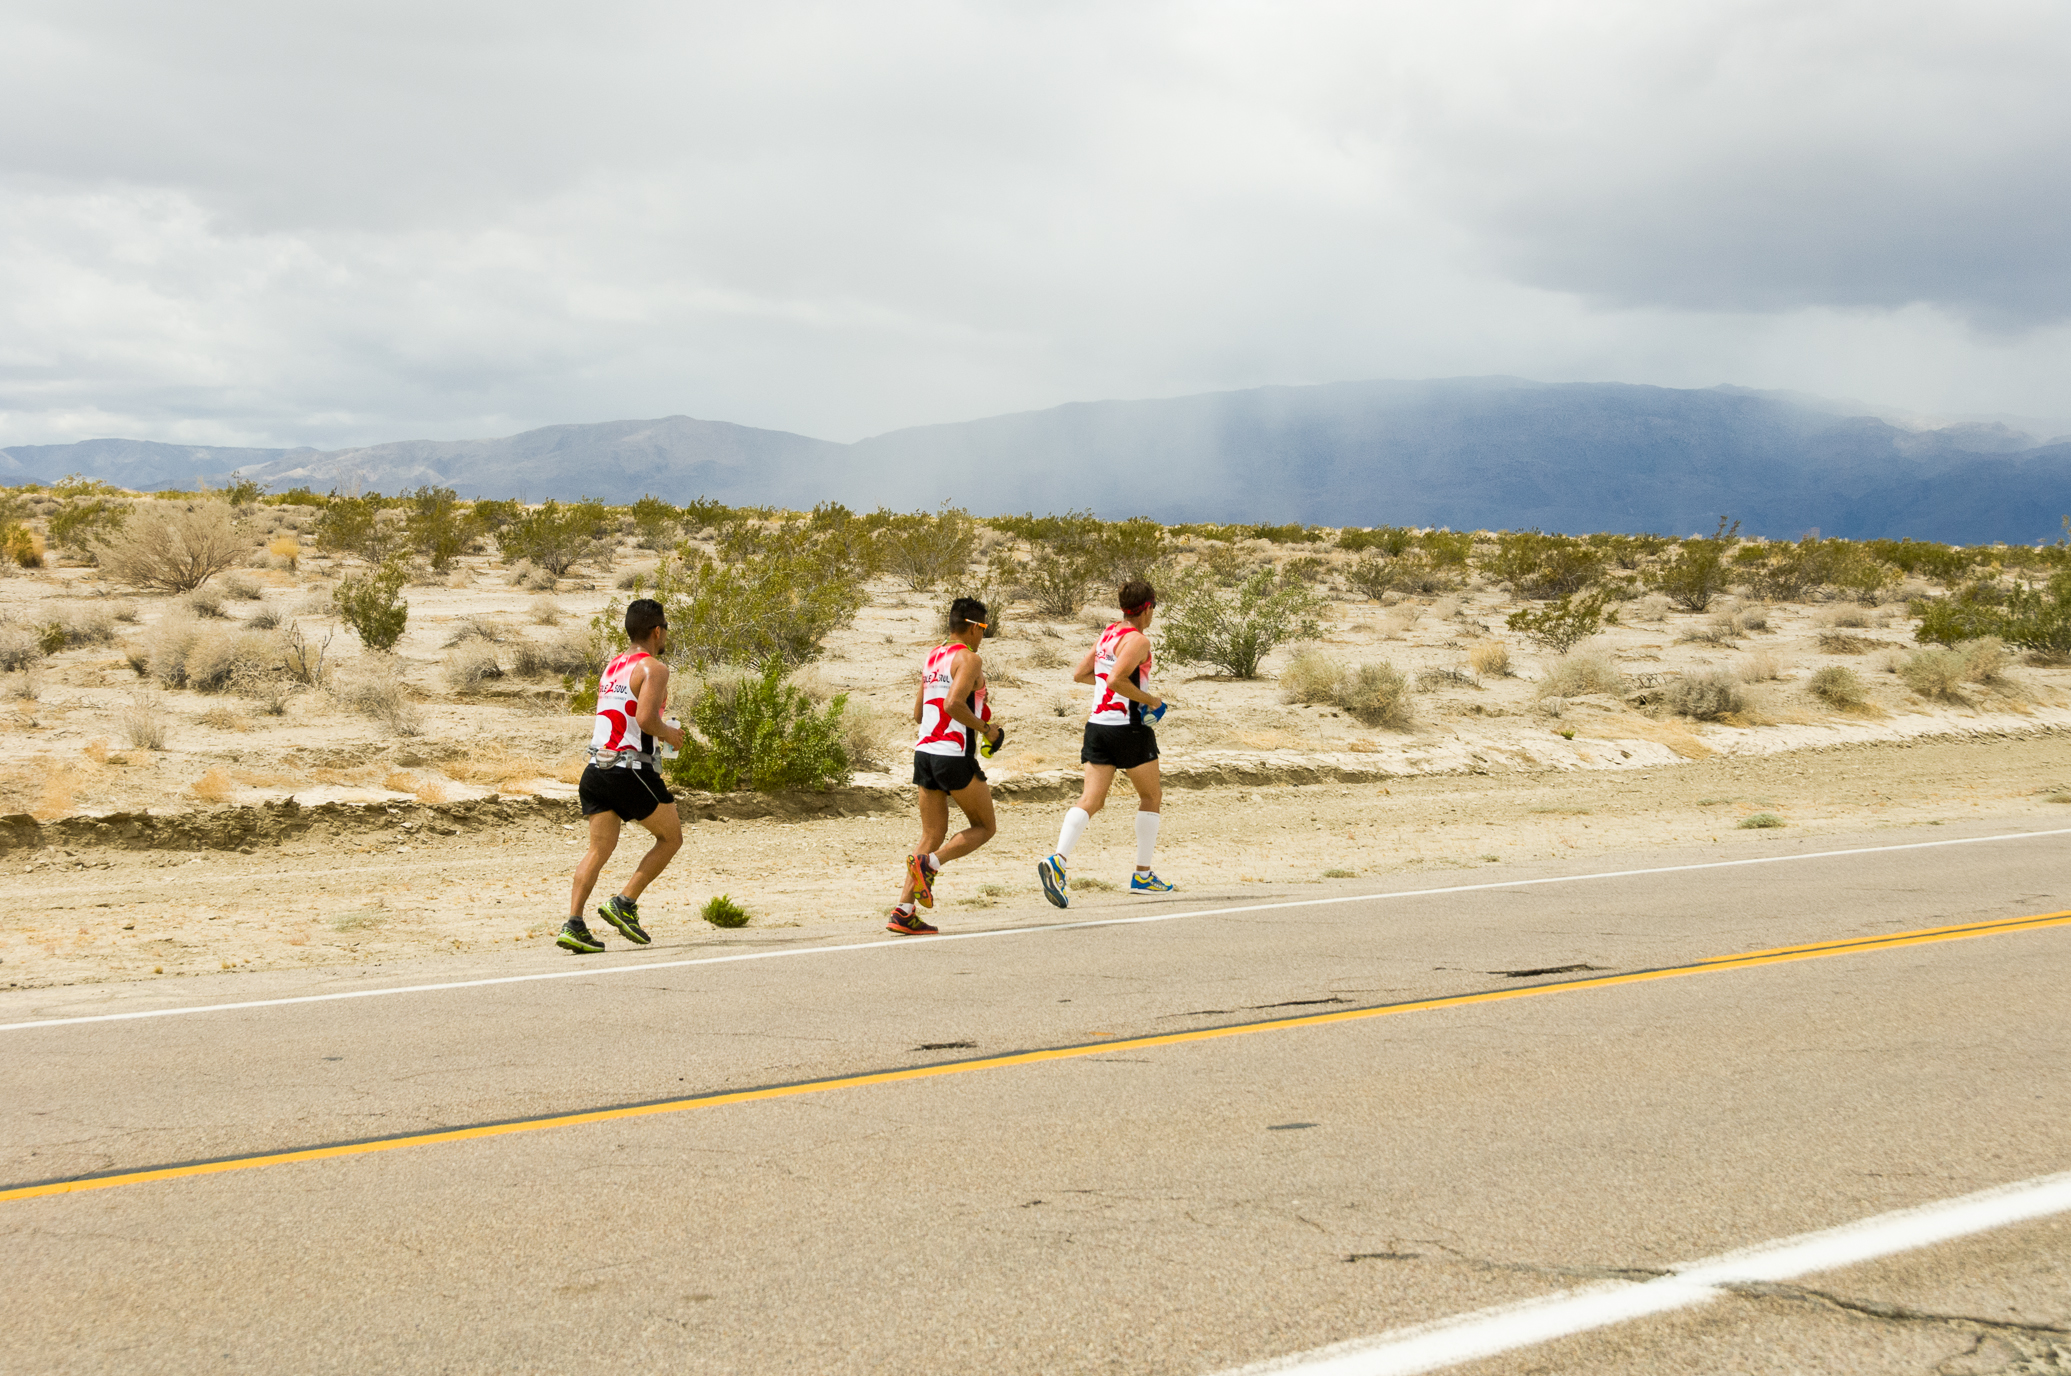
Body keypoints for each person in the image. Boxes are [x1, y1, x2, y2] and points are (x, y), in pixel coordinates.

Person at [559, 598, 688, 953]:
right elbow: (646, 720)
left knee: (599, 849)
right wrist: (670, 734)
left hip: (595, 769)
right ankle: (624, 903)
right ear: (657, 631)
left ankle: (574, 924)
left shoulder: (612, 666)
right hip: (629, 769)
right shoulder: (654, 668)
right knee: (671, 838)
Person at [1038, 579, 1171, 907]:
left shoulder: (1109, 633)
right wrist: (1150, 700)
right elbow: (1115, 679)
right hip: (1129, 728)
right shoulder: (1139, 640)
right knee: (1151, 795)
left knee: (1091, 800)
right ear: (1148, 607)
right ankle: (1142, 875)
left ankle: (1058, 860)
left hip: (1097, 726)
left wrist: (1113, 692)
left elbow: (1083, 674)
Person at [889, 596, 1004, 935]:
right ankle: (932, 863)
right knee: (984, 827)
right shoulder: (969, 658)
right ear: (972, 627)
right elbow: (954, 703)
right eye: (983, 628)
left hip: (924, 753)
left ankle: (903, 910)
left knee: (931, 833)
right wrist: (986, 729)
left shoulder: (934, 656)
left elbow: (919, 714)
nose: (984, 635)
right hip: (953, 756)